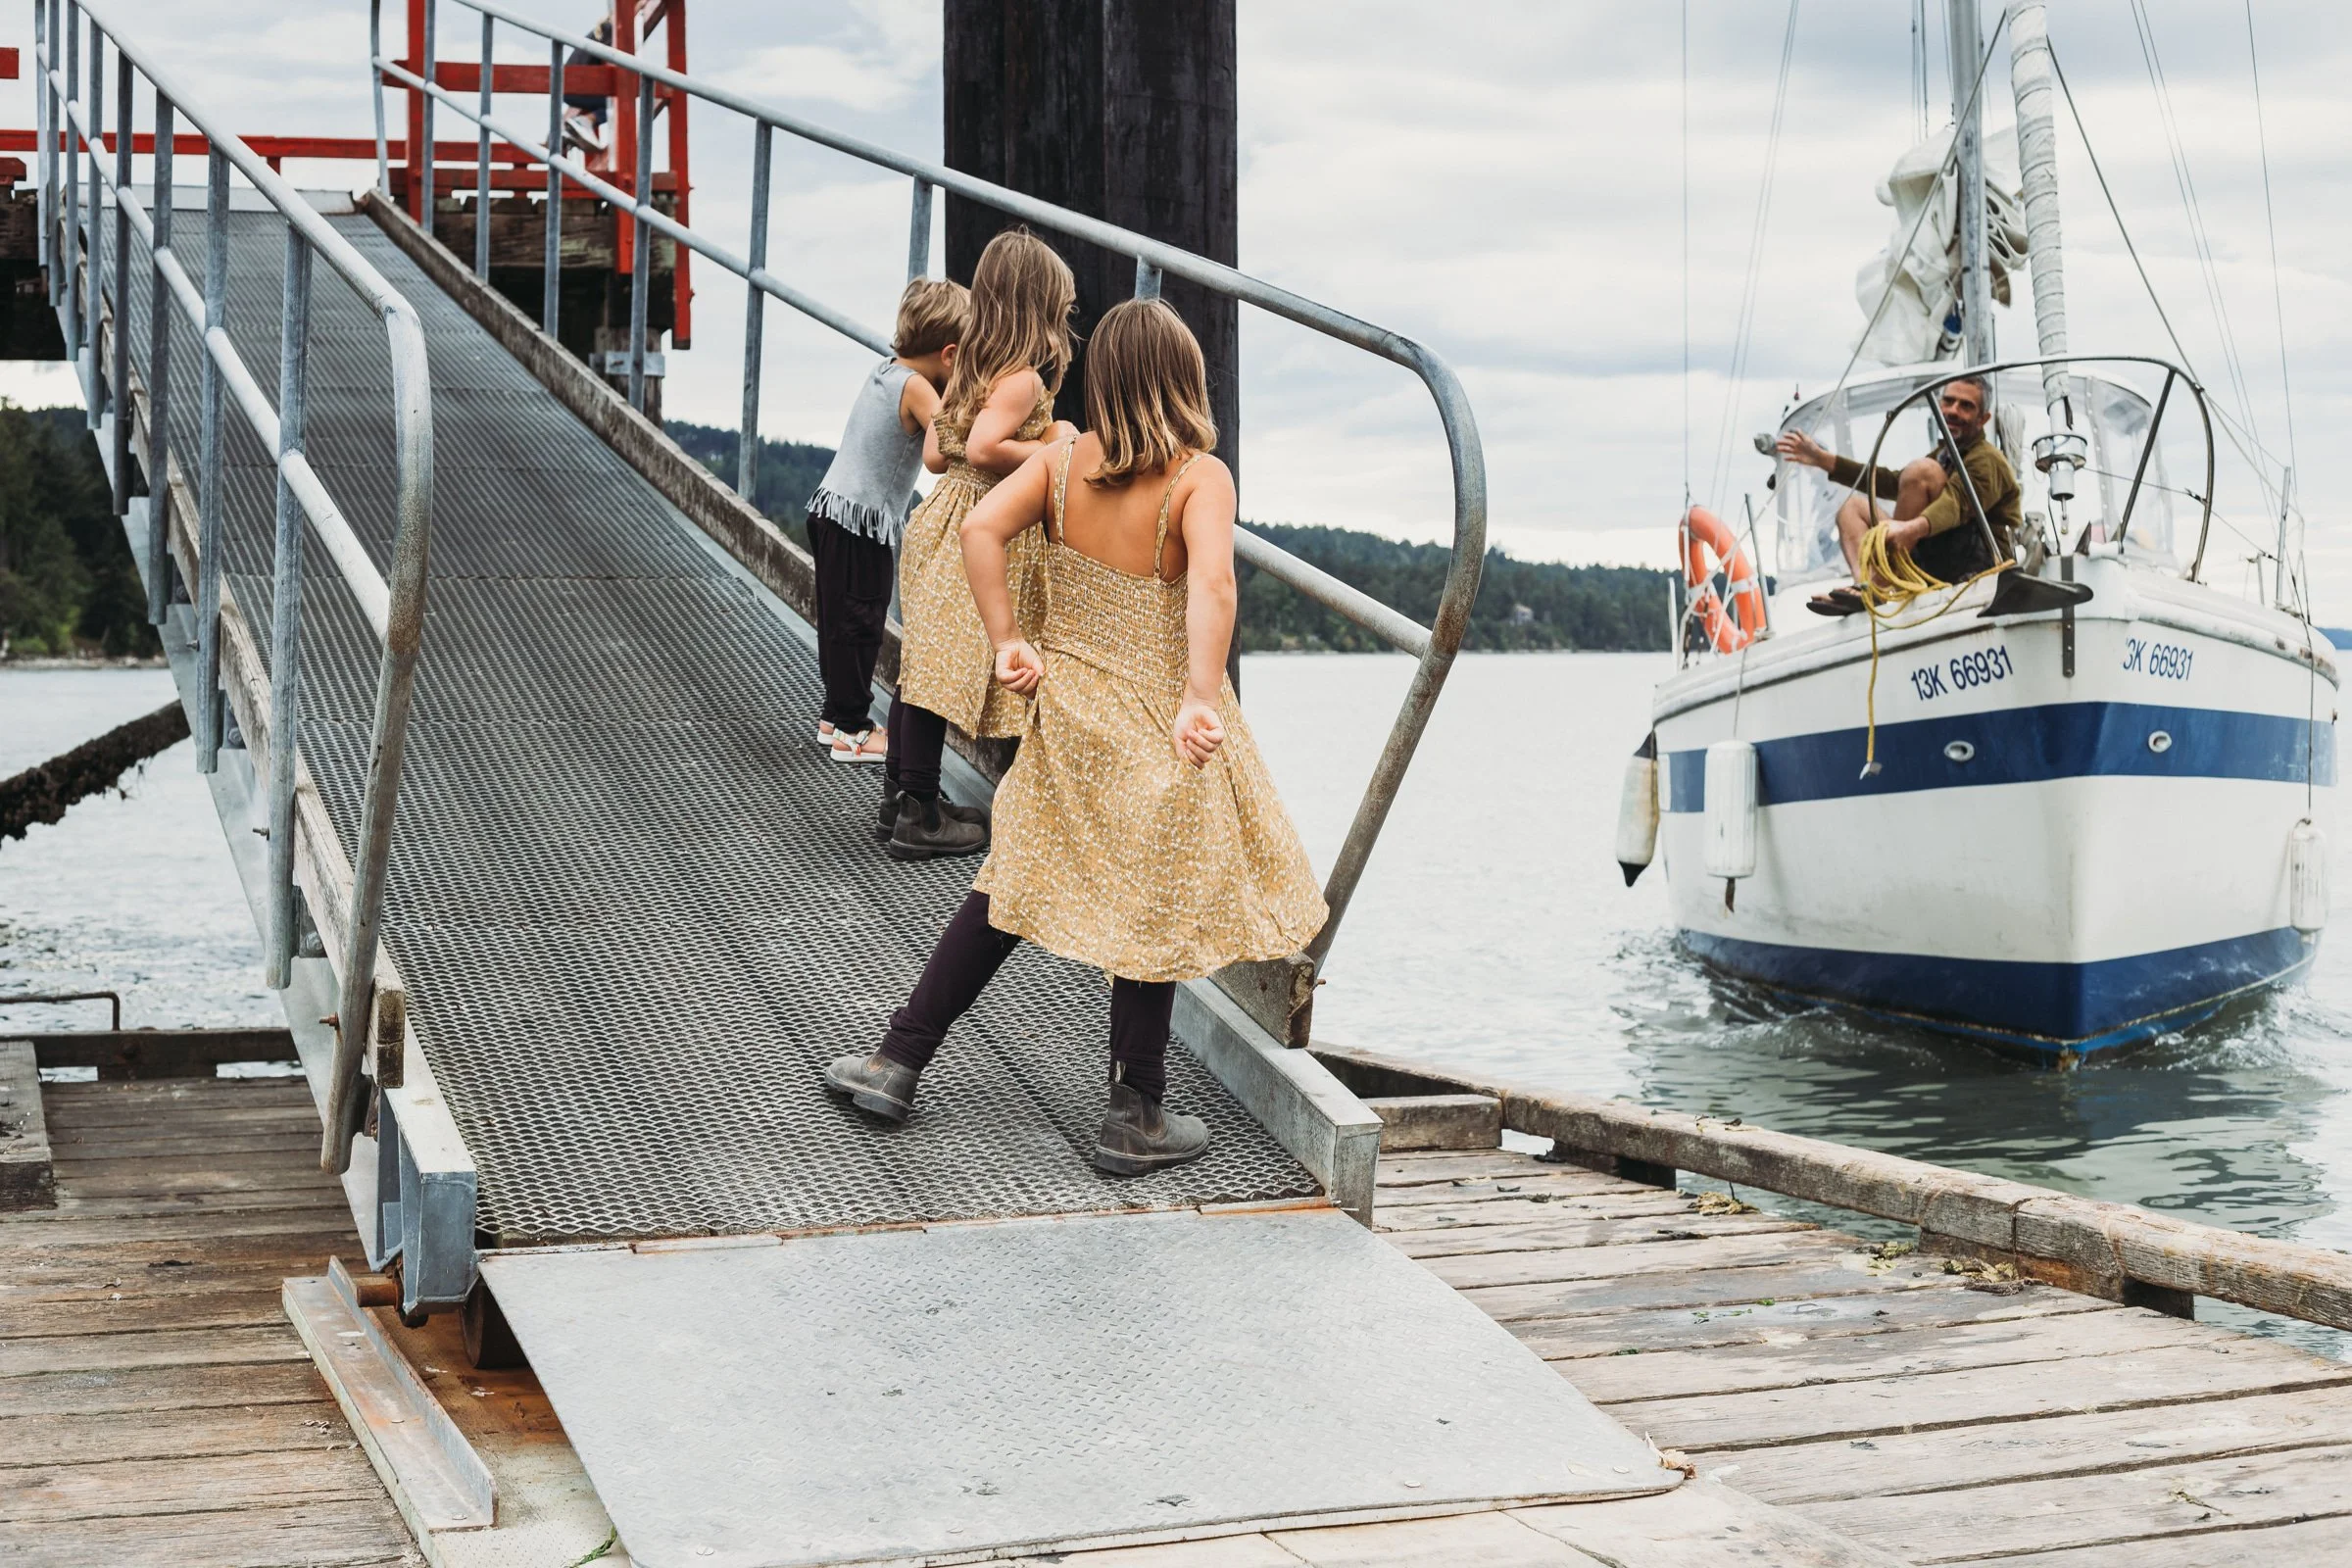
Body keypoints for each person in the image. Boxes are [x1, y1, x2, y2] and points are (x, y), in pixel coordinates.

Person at [826, 299, 1328, 1175]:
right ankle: (1134, 1110)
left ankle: (898, 1060)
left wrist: (1009, 638)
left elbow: (980, 526)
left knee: (1010, 880)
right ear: (1181, 382)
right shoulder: (1196, 477)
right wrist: (1201, 699)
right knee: (1155, 895)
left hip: (1068, 706)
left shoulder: (1064, 460)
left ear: (1103, 380)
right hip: (1160, 714)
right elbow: (1212, 586)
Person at [881, 227, 1076, 860]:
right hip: (979, 528)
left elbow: (938, 454)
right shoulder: (1020, 379)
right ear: (1037, 309)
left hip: (937, 522)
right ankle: (921, 816)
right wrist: (1052, 450)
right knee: (939, 677)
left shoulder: (966, 365)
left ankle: (906, 801)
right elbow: (990, 448)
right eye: (1061, 311)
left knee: (924, 672)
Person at [806, 278, 969, 767]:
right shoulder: (919, 388)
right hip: (861, 526)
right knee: (862, 624)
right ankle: (853, 733)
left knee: (838, 621)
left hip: (831, 510)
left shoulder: (886, 370)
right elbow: (943, 452)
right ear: (949, 353)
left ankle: (835, 717)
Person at [1776, 372, 2021, 612]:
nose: (1953, 411)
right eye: (1948, 401)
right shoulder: (1944, 455)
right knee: (1852, 507)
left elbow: (1956, 503)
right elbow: (1893, 482)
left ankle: (1876, 589)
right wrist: (1823, 459)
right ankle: (1865, 585)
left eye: (1966, 406)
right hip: (1939, 556)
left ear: (1982, 419)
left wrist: (1910, 528)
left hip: (1977, 566)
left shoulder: (1987, 460)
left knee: (1921, 472)